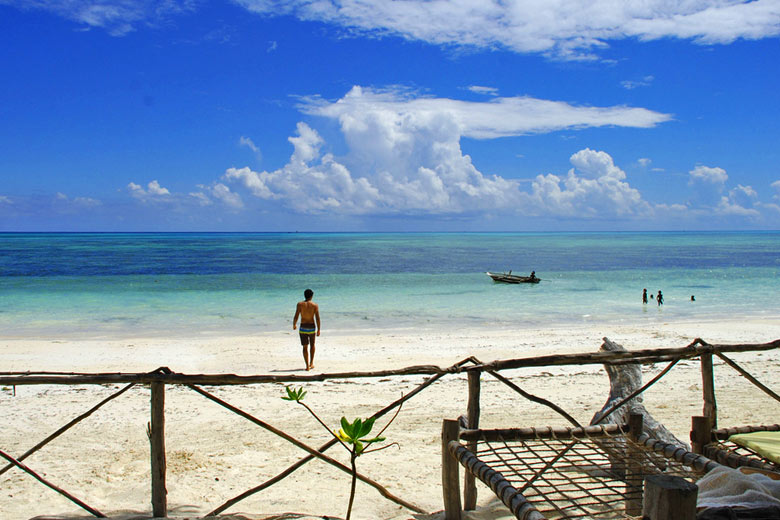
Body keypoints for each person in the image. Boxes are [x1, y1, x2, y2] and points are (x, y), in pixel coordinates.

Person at [293, 288, 321, 371]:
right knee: (312, 345)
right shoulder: (315, 305)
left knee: (305, 347)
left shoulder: (300, 304)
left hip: (303, 327)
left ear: (304, 295)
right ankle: (311, 363)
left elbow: (296, 315)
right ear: (312, 296)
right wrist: (319, 329)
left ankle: (307, 366)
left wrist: (294, 324)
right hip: (311, 327)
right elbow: (318, 318)